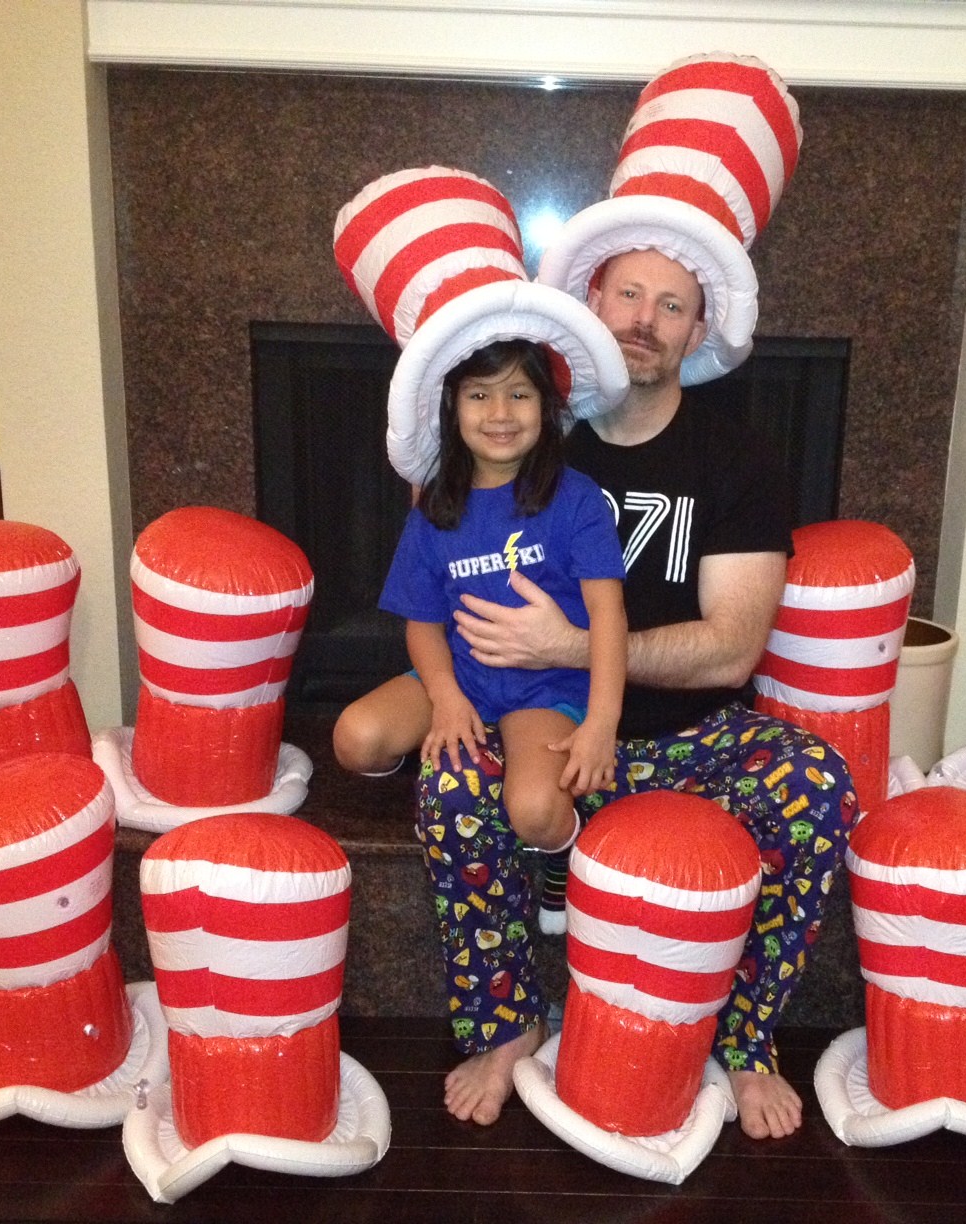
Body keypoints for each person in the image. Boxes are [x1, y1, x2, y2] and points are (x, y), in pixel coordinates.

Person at [416, 247, 859, 1139]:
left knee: (817, 785)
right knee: (452, 785)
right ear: (592, 298)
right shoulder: (526, 436)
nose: (643, 320)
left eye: (671, 305)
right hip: (545, 723)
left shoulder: (737, 458)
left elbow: (733, 650)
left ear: (698, 332)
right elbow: (441, 572)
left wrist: (569, 643)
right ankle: (507, 1025)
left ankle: (744, 1039)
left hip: (698, 737)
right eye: (627, 293)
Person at [333, 338, 628, 927]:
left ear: (547, 408)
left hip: (543, 688)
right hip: (464, 673)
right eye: (479, 396)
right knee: (355, 738)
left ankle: (566, 849)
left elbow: (609, 616)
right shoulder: (434, 509)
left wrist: (601, 723)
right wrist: (445, 696)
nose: (499, 413)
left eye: (519, 395)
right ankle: (443, 757)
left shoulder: (576, 499)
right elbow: (422, 624)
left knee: (534, 812)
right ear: (453, 406)